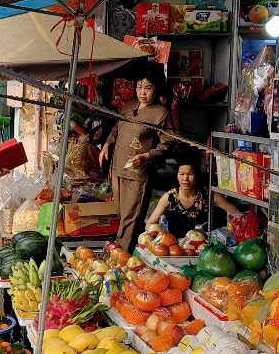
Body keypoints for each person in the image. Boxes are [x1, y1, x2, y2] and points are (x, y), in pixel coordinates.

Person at [99, 67, 174, 253]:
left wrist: (147, 156)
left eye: (147, 88)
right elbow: (117, 126)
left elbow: (168, 143)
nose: (142, 92)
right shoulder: (129, 105)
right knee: (120, 213)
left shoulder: (160, 113)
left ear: (156, 89)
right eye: (139, 87)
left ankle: (119, 258)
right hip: (117, 168)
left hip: (137, 172)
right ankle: (136, 252)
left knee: (130, 218)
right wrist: (107, 144)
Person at [146, 156, 240, 238]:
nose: (185, 179)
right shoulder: (169, 197)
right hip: (174, 248)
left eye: (190, 174)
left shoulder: (208, 195)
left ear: (197, 175)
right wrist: (159, 236)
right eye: (182, 174)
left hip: (203, 248)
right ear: (177, 175)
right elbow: (150, 224)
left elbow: (238, 215)